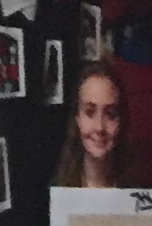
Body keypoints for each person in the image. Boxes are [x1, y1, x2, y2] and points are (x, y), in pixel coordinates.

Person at [51, 54, 126, 188]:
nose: (99, 127)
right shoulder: (58, 190)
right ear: (77, 118)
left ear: (120, 121)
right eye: (90, 113)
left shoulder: (136, 194)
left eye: (110, 114)